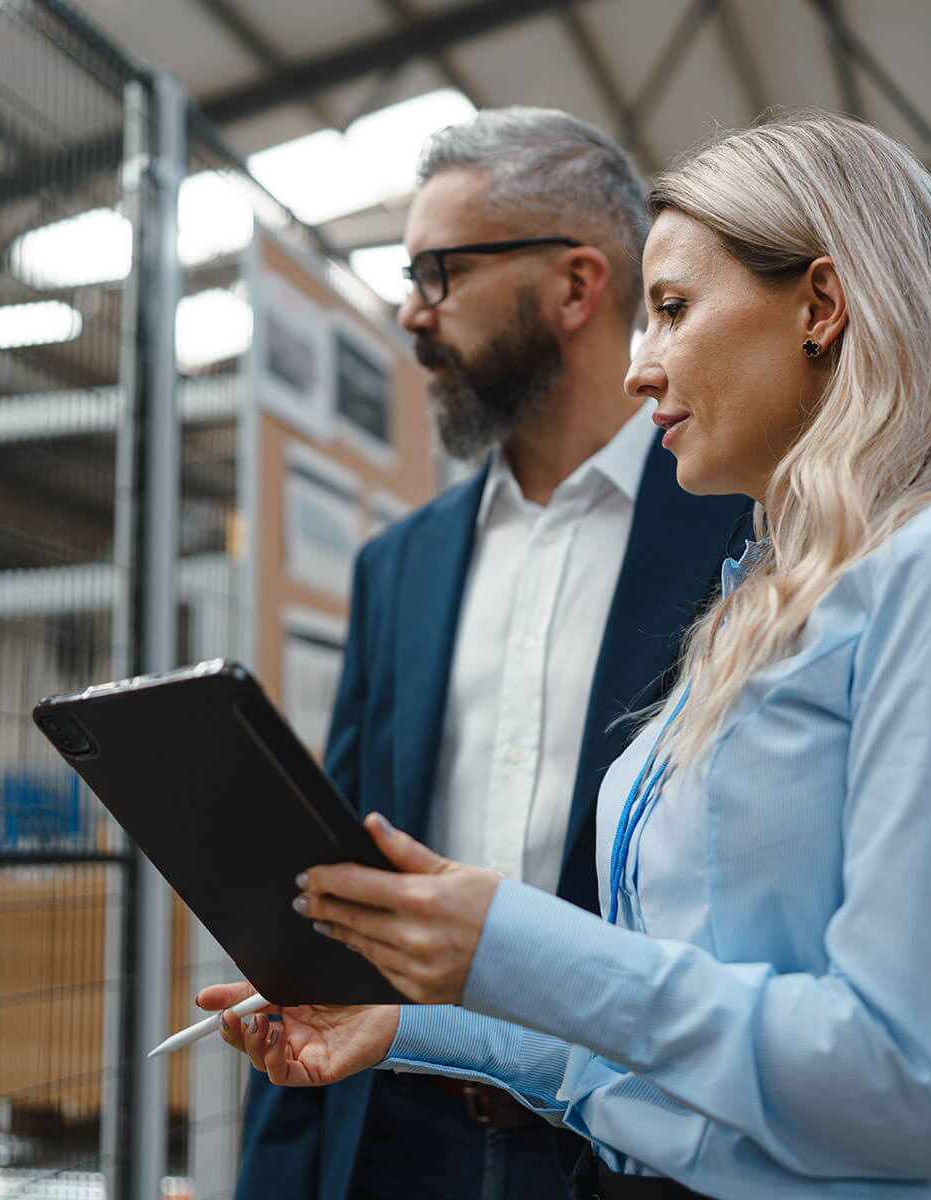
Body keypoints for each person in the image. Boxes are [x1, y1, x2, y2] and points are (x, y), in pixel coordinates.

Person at [203, 111, 931, 1199]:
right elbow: (681, 1048)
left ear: (822, 306)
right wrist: (418, 1021)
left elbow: (905, 1086)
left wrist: (508, 941)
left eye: (673, 310)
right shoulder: (770, 598)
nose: (640, 368)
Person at [231, 108, 749, 1200]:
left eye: (439, 271)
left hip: (631, 1145)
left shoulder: (743, 531)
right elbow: (335, 895)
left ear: (574, 286)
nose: (414, 312)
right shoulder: (401, 566)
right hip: (397, 1126)